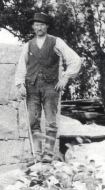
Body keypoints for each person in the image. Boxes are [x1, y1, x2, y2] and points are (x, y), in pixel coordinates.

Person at [14, 12, 82, 163]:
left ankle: (48, 154)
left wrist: (65, 77)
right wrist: (20, 84)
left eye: (42, 25)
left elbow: (75, 59)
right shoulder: (28, 45)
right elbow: (21, 66)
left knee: (51, 122)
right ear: (33, 27)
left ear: (47, 27)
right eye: (36, 25)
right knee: (33, 122)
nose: (39, 28)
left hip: (51, 87)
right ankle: (37, 154)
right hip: (31, 87)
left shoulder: (56, 42)